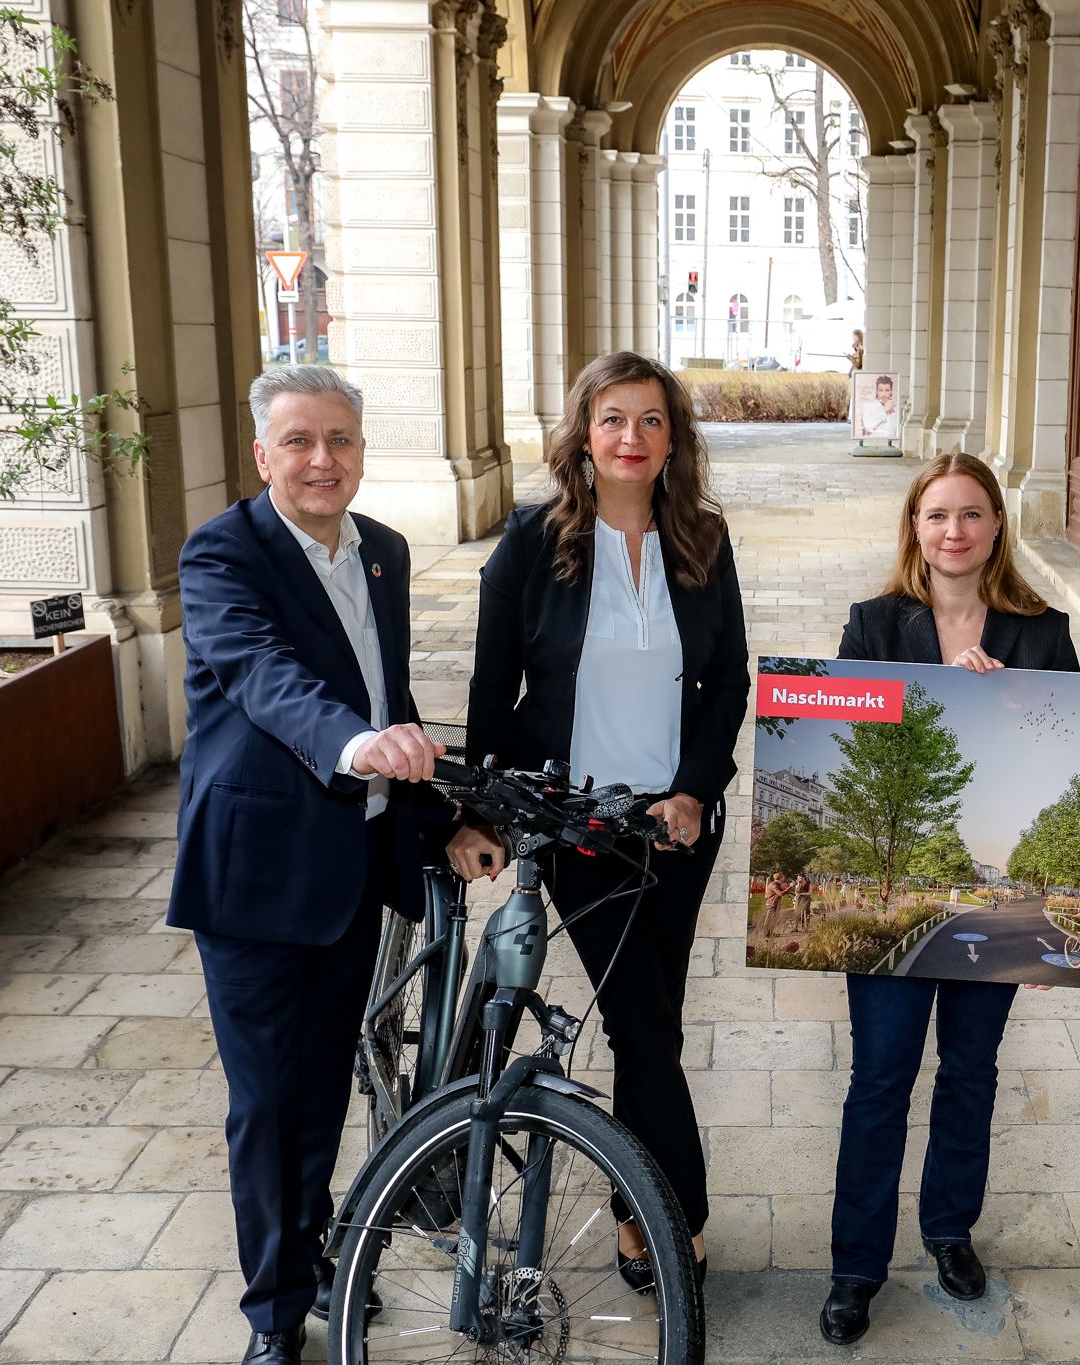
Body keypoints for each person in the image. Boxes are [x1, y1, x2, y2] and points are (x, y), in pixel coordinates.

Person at [170, 366, 503, 1365]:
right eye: (301, 442)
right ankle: (274, 1316)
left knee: (318, 1087)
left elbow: (384, 692)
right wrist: (355, 746)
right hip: (258, 872)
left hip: (353, 860)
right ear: (263, 454)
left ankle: (314, 1257)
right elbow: (263, 677)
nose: (324, 461)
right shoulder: (223, 553)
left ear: (361, 450)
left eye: (342, 440)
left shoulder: (384, 553)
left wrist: (441, 813)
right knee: (268, 1106)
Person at [466, 349, 749, 1292]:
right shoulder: (532, 542)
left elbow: (729, 685)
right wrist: (484, 812)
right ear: (584, 433)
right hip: (577, 821)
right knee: (643, 1023)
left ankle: (643, 1210)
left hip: (672, 827)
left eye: (652, 421)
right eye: (614, 418)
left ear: (675, 440)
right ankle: (675, 1222)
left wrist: (695, 791)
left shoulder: (704, 540)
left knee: (651, 1020)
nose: (633, 437)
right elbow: (490, 688)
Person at [819, 451, 1080, 1345]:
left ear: (998, 527)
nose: (955, 531)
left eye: (972, 514)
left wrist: (1014, 709)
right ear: (915, 528)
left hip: (990, 894)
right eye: (938, 515)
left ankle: (948, 1229)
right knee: (880, 1079)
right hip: (895, 879)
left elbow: (1070, 753)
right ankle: (855, 1265)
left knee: (971, 1071)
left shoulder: (1043, 632)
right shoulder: (873, 624)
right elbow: (841, 739)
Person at [857, 374, 898, 439]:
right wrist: (885, 411)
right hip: (872, 442)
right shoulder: (868, 406)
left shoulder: (896, 410)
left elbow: (896, 431)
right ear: (877, 392)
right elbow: (868, 428)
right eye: (881, 390)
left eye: (887, 390)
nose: (883, 394)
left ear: (891, 392)